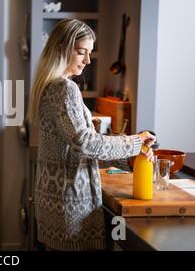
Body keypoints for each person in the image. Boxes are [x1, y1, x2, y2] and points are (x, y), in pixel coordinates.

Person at [28, 19, 155, 251]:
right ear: (61, 49)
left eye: (89, 53)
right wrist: (135, 142)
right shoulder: (65, 88)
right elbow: (84, 143)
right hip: (71, 205)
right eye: (81, 52)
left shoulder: (47, 85)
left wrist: (122, 153)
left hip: (53, 202)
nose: (87, 60)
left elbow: (71, 142)